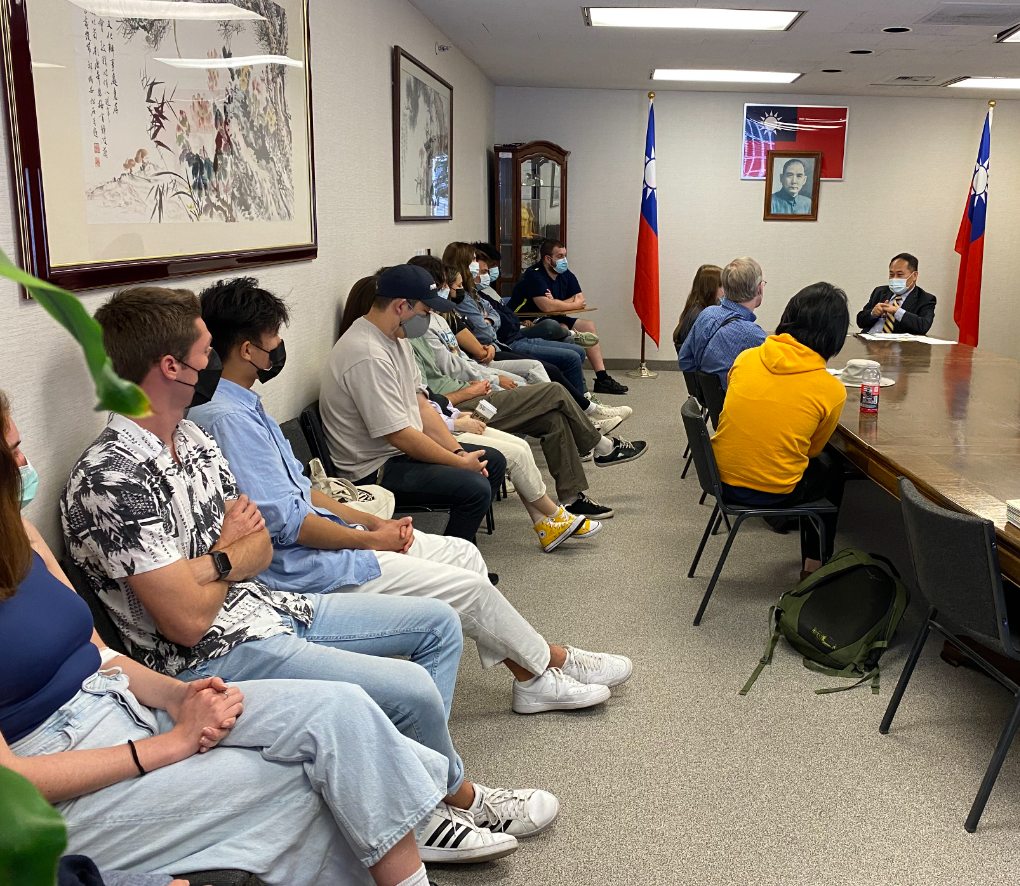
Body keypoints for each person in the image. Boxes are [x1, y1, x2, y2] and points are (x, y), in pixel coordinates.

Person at [60, 287, 556, 864]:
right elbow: (188, 623)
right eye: (204, 352)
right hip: (216, 655)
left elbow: (261, 543)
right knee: (412, 689)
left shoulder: (192, 439)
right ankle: (435, 806)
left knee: (440, 625)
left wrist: (221, 560)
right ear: (171, 367)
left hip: (270, 606)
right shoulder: (110, 478)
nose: (213, 361)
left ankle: (419, 794)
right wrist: (226, 557)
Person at [2, 394, 451, 885]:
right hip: (50, 790)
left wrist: (179, 697)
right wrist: (171, 744)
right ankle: (422, 826)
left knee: (342, 711)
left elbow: (100, 654)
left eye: (20, 445)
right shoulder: (108, 476)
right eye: (11, 453)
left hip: (125, 703)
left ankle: (431, 815)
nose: (24, 462)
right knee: (304, 788)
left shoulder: (19, 533)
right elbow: (11, 782)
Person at [187, 278, 626, 716]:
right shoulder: (228, 419)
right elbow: (290, 525)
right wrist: (369, 539)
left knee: (465, 557)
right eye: (273, 339)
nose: (280, 346)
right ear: (248, 349)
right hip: (307, 571)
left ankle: (532, 678)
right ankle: (550, 661)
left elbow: (305, 494)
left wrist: (369, 521)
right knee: (470, 585)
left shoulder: (247, 403)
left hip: (333, 539)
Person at [321, 264, 508, 545]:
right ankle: (449, 571)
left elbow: (421, 406)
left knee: (492, 462)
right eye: (425, 311)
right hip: (373, 469)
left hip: (397, 453)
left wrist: (457, 452)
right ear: (401, 306)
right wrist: (459, 463)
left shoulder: (397, 339)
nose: (428, 319)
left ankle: (461, 554)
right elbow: (399, 434)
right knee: (475, 487)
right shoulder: (367, 354)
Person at [711, 283, 851, 580]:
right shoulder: (831, 390)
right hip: (772, 492)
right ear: (835, 337)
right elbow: (811, 451)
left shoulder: (746, 359)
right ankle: (814, 566)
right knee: (831, 468)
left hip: (718, 479)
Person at [509, 239, 629, 395]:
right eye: (559, 256)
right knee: (563, 328)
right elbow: (547, 306)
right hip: (527, 318)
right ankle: (571, 380)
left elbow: (581, 300)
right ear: (547, 259)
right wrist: (570, 303)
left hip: (551, 316)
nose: (564, 260)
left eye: (565, 255)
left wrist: (558, 303)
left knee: (588, 326)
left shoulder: (565, 274)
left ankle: (602, 378)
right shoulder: (534, 275)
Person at [677, 257, 768, 390]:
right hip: (738, 405)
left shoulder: (707, 314)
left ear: (724, 287)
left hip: (710, 402)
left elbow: (685, 360)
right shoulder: (753, 335)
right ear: (759, 288)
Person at [856, 252, 937, 335]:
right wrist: (873, 313)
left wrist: (897, 311)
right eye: (891, 274)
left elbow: (923, 326)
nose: (894, 278)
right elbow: (860, 321)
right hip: (869, 342)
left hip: (897, 346)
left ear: (914, 276)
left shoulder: (926, 299)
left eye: (900, 274)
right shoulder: (879, 292)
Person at [673, 264, 723, 353]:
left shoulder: (697, 309)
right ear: (710, 288)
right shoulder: (699, 315)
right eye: (721, 286)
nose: (724, 291)